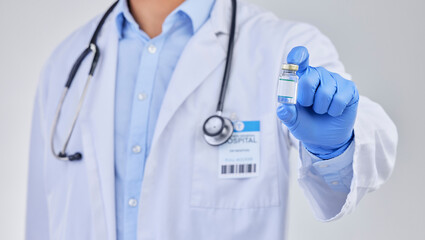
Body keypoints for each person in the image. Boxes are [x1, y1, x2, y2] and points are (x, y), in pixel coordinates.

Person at [26, 0, 398, 239]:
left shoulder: (278, 48)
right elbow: (42, 220)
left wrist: (335, 145)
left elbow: (368, 131)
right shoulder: (66, 62)